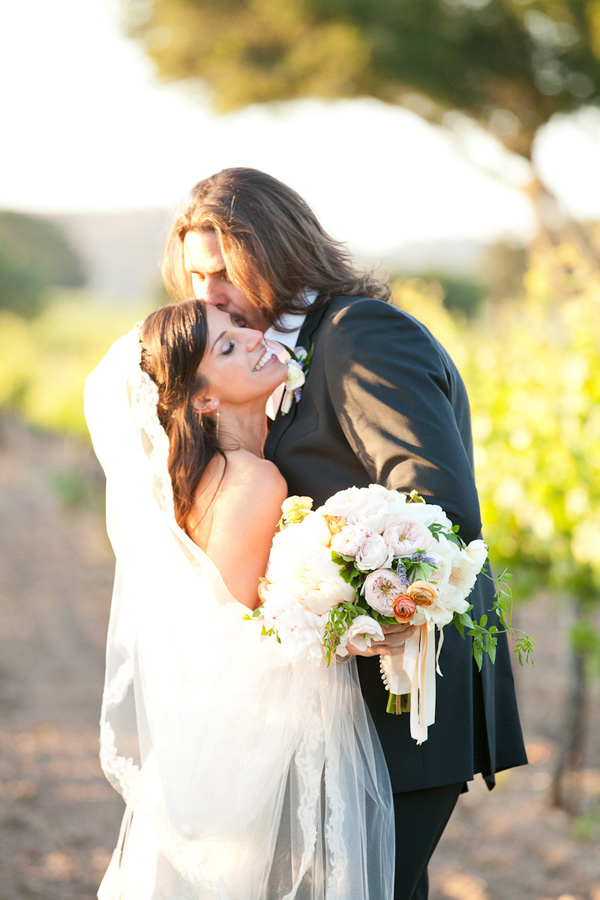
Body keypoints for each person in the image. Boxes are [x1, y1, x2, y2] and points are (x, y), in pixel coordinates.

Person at [161, 168, 528, 900]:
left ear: (277, 251)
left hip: (405, 691)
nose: (208, 294)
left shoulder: (360, 334)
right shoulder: (278, 356)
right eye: (195, 276)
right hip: (339, 707)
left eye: (224, 270)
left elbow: (440, 509)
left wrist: (346, 593)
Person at [85, 299, 395, 899]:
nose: (254, 340)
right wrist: (339, 615)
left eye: (239, 330)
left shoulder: (217, 476)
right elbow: (234, 644)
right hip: (252, 755)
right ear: (202, 399)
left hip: (219, 750)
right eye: (227, 347)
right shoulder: (254, 481)